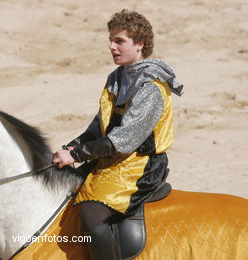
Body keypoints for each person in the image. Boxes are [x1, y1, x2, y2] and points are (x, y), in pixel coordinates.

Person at [53, 9, 184, 260]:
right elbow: (98, 128)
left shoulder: (151, 87)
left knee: (91, 212)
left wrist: (78, 155)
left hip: (142, 166)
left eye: (119, 41)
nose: (112, 47)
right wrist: (69, 149)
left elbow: (124, 139)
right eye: (111, 40)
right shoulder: (117, 78)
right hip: (114, 160)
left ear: (140, 44)